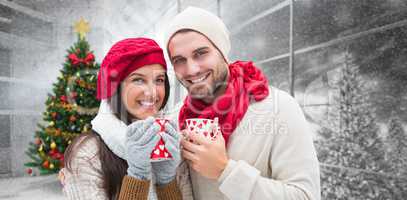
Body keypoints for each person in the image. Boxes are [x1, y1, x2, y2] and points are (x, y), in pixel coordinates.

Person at [162, 7, 321, 200]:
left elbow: (305, 196)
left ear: (222, 52)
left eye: (201, 53)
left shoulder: (279, 109)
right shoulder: (176, 118)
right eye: (179, 60)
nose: (192, 69)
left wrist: (225, 171)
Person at [60, 38, 191, 200]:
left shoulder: (170, 143)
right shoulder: (87, 155)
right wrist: (137, 176)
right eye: (138, 80)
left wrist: (166, 181)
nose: (153, 93)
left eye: (159, 80)